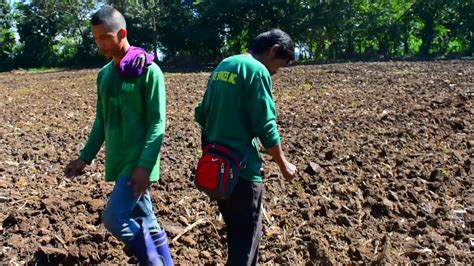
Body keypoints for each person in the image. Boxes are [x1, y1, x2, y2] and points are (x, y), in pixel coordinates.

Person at [64, 6, 172, 265]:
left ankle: (153, 262)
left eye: (105, 37)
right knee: (147, 220)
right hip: (118, 160)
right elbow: (101, 121)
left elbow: (157, 123)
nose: (99, 44)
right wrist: (84, 158)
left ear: (121, 33)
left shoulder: (149, 72)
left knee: (113, 219)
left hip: (137, 163)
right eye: (96, 38)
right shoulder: (104, 75)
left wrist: (145, 166)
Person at [194, 29, 298, 265]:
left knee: (236, 237)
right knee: (246, 245)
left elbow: (201, 113)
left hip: (218, 172)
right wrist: (283, 164)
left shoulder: (225, 64)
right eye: (278, 66)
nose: (275, 72)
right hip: (243, 172)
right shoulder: (257, 71)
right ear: (273, 50)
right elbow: (266, 126)